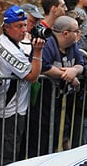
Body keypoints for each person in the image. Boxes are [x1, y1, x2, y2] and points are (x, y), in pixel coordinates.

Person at [0, 5, 43, 166]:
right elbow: (32, 76)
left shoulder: (7, 40)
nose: (24, 30)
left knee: (10, 153)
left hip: (13, 107)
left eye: (25, 25)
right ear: (7, 28)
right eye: (19, 26)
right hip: (9, 110)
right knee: (6, 157)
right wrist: (38, 52)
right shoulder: (9, 48)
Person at [28, 15, 83, 155]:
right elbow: (44, 66)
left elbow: (81, 64)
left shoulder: (73, 45)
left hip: (62, 102)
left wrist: (73, 71)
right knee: (42, 140)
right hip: (42, 103)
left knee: (62, 135)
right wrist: (66, 75)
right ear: (65, 33)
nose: (78, 34)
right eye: (75, 31)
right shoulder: (48, 44)